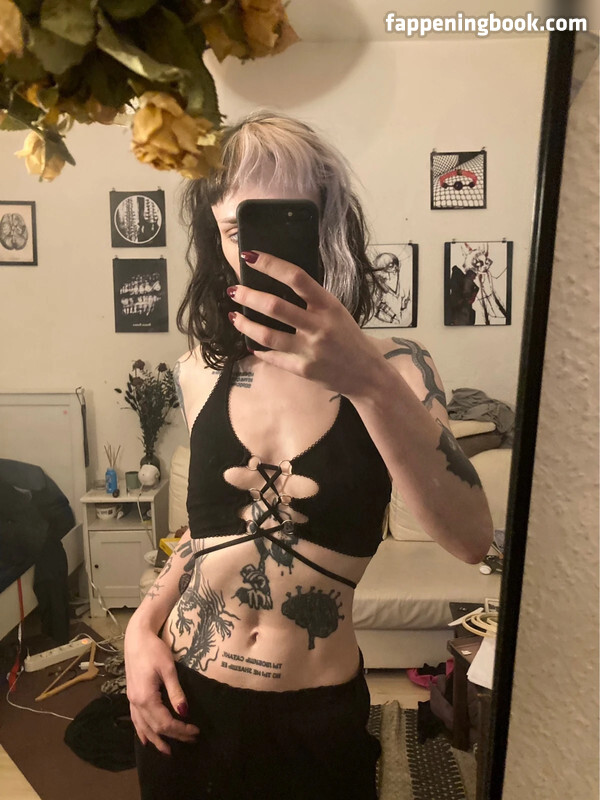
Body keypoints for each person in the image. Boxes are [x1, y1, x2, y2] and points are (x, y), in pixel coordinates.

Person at [124, 110, 494, 800]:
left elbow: (472, 538)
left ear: (327, 227)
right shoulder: (200, 368)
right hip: (187, 698)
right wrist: (139, 631)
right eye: (236, 229)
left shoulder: (398, 368)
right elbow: (204, 537)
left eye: (285, 223)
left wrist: (367, 382)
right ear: (215, 238)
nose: (259, 253)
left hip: (316, 718)